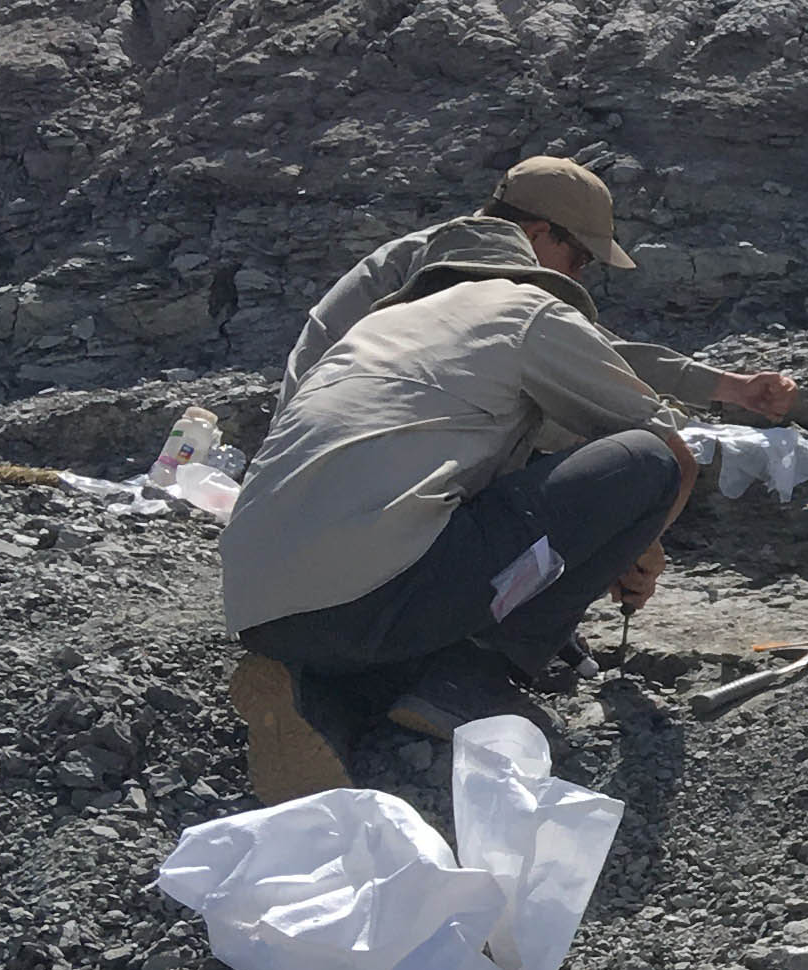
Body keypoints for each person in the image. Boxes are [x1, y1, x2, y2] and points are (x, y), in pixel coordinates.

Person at [220, 216, 698, 797]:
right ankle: (476, 675)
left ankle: (311, 696)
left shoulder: (370, 333)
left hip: (258, 610)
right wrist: (640, 545)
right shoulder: (524, 308)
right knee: (646, 461)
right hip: (379, 597)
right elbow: (668, 448)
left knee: (386, 606)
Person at [284, 156, 802, 426]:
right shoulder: (460, 268)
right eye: (578, 257)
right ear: (536, 235)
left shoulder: (457, 253)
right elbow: (599, 357)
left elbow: (593, 347)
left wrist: (729, 387)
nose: (577, 276)